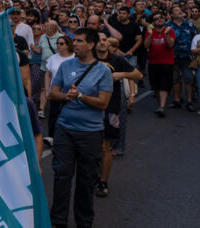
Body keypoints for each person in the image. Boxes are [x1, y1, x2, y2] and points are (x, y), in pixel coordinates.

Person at [48, 28, 113, 228]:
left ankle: (84, 222)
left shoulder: (103, 71)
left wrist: (81, 97)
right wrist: (65, 96)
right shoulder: (66, 66)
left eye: (79, 41)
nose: (74, 44)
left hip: (90, 133)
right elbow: (52, 93)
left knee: (86, 180)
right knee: (62, 176)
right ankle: (58, 221)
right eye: (74, 41)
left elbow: (103, 103)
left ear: (91, 45)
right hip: (65, 130)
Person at [93, 32, 140, 197]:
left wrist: (121, 74)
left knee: (105, 146)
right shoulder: (88, 58)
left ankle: (103, 181)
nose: (102, 43)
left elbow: (138, 75)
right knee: (90, 145)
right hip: (90, 106)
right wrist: (99, 65)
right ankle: (92, 174)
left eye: (105, 40)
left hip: (111, 107)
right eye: (99, 40)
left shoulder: (117, 59)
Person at [144, 12, 176, 116]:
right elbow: (146, 45)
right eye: (156, 18)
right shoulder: (150, 31)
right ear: (153, 22)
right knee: (156, 87)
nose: (159, 19)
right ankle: (160, 105)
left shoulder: (170, 30)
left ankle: (162, 107)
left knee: (164, 85)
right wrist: (149, 34)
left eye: (161, 17)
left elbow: (171, 45)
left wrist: (166, 35)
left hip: (167, 63)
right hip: (153, 62)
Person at [168, 5, 197, 111]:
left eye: (180, 10)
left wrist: (195, 55)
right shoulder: (167, 26)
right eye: (176, 10)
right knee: (175, 78)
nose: (179, 11)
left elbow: (195, 39)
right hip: (173, 56)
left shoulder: (189, 24)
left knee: (188, 79)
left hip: (187, 56)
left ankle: (189, 101)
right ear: (171, 14)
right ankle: (177, 100)